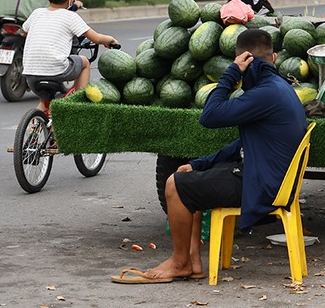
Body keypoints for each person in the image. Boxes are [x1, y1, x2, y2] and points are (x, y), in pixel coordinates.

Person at [112, 29, 306, 283]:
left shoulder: (265, 93)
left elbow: (209, 116)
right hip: (267, 177)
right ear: (275, 58)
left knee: (174, 185)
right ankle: (192, 263)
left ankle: (179, 262)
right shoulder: (278, 88)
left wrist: (229, 75)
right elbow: (242, 143)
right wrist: (198, 164)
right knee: (189, 175)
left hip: (261, 185)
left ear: (244, 62)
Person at [22, 0, 118, 113]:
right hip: (57, 71)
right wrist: (110, 40)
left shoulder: (36, 13)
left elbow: (25, 31)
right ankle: (78, 106)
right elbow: (97, 38)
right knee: (84, 62)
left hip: (30, 74)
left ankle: (31, 131)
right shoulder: (70, 17)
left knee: (44, 101)